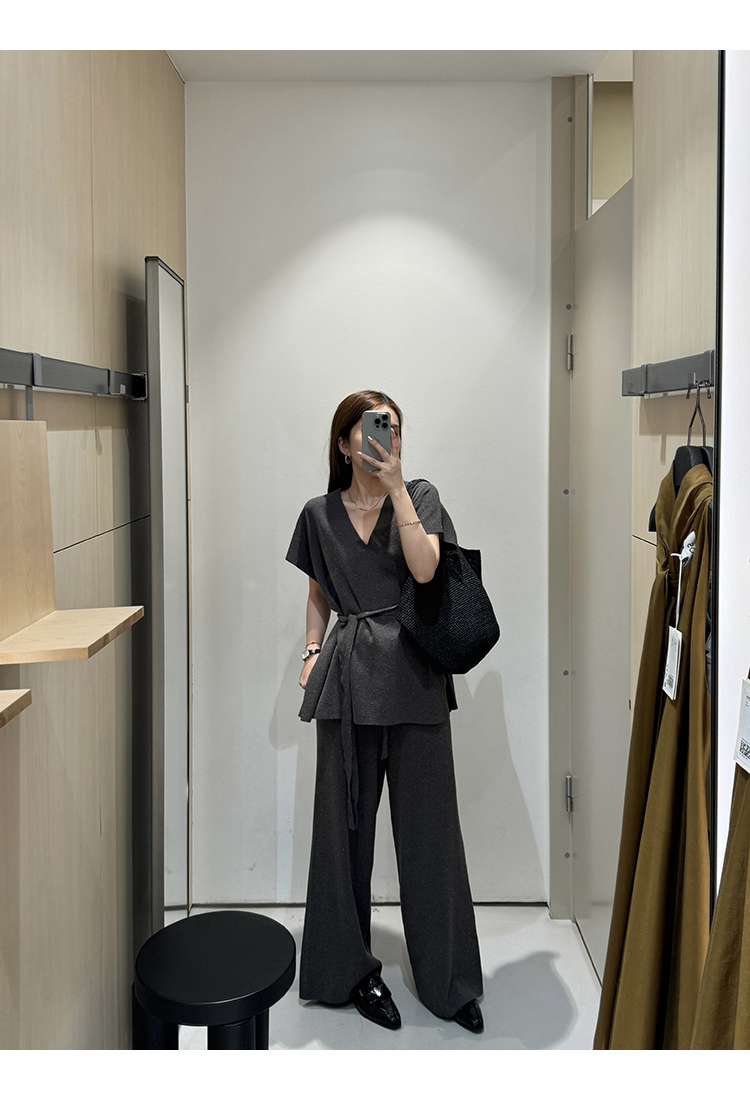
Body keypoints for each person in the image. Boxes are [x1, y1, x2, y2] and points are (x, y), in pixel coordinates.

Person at [286, 389, 484, 1034]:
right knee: (342, 833)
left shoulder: (419, 496)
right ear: (345, 443)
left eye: (393, 428)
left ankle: (449, 981)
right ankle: (346, 972)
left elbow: (426, 573)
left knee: (431, 834)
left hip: (415, 678)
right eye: (373, 428)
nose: (384, 437)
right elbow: (318, 592)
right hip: (347, 678)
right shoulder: (318, 514)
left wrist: (396, 488)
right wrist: (312, 649)